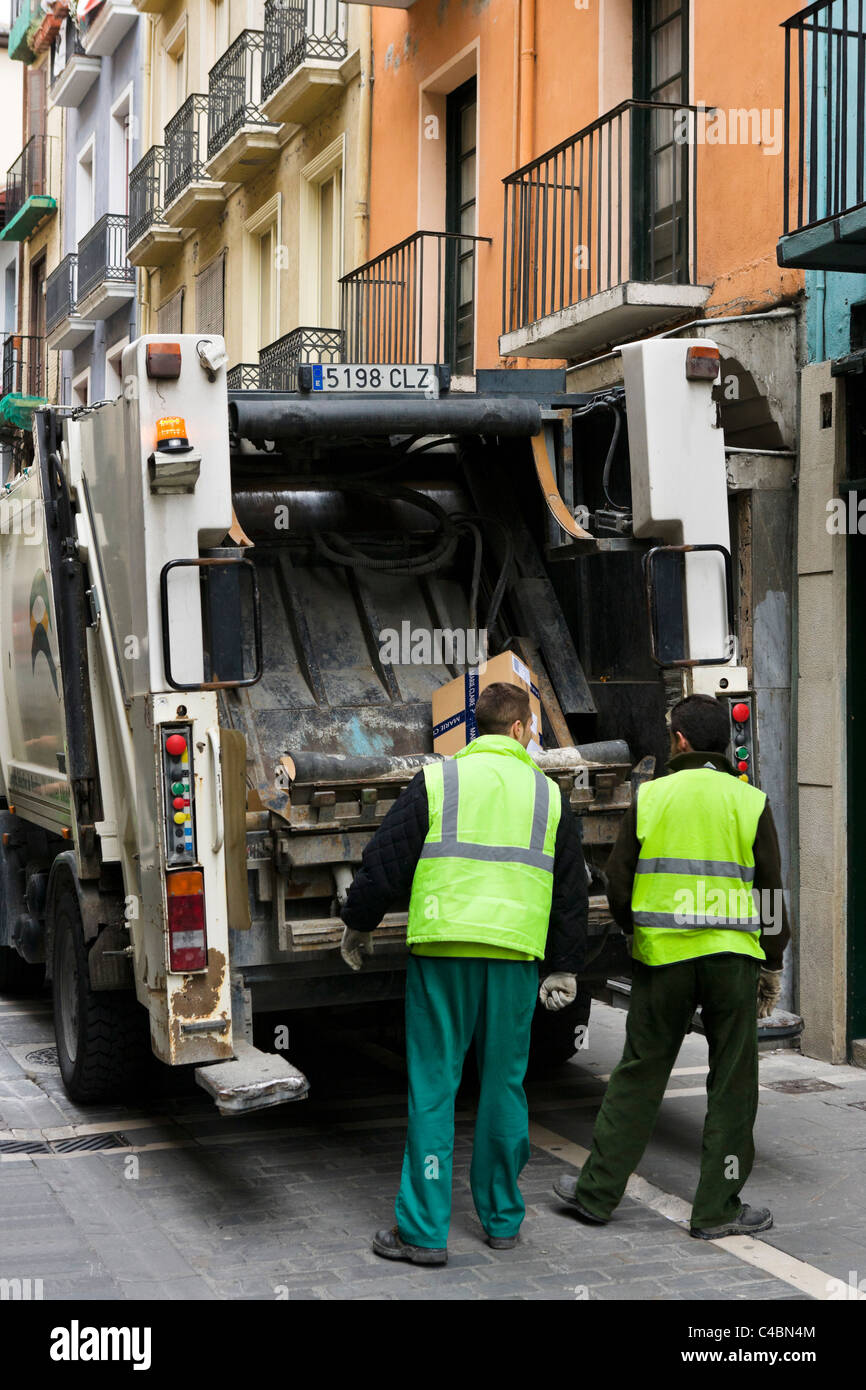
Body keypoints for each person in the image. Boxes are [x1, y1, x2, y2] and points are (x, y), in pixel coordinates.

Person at [340, 681, 588, 1266]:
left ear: (474, 728)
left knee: (434, 1087)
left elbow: (385, 861)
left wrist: (358, 921)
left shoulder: (438, 779)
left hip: (443, 951)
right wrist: (565, 967)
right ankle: (502, 1220)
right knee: (503, 1086)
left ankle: (424, 1232)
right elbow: (571, 891)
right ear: (526, 729)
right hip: (513, 958)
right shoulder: (549, 796)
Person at [553, 693, 790, 1240]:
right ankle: (717, 1209)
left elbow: (618, 880)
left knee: (638, 1075)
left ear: (680, 740)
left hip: (664, 961)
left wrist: (635, 929)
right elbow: (771, 891)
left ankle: (596, 1194)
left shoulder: (652, 795)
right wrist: (771, 962)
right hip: (732, 962)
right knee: (732, 1083)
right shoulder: (750, 799)